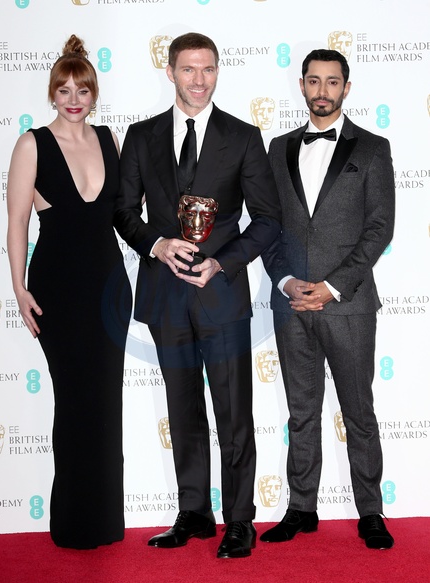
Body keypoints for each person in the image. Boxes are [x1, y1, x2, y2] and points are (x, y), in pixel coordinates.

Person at [114, 32, 281, 559]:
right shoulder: (140, 136)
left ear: (217, 71)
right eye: (188, 69)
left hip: (221, 295)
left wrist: (222, 262)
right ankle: (193, 512)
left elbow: (268, 220)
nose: (199, 79)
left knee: (234, 413)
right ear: (170, 72)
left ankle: (239, 520)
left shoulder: (244, 137)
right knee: (182, 409)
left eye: (208, 69)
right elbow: (123, 211)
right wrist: (157, 244)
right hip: (166, 296)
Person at [261, 48, 395, 550]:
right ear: (301, 85)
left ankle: (371, 512)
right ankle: (301, 508)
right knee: (301, 412)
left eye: (332, 82)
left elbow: (380, 228)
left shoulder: (373, 149)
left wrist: (333, 286)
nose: (322, 91)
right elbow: (267, 226)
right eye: (313, 81)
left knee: (358, 411)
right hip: (292, 303)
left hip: (348, 304)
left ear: (346, 88)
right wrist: (285, 281)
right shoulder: (277, 148)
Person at [6, 34, 132, 549]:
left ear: (93, 94)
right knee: (75, 401)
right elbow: (16, 222)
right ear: (52, 93)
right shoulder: (31, 143)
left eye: (83, 89)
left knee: (105, 403)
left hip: (109, 287)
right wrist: (18, 287)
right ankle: (73, 523)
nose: (74, 99)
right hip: (57, 290)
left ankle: (104, 522)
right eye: (64, 90)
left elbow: (122, 216)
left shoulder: (108, 139)